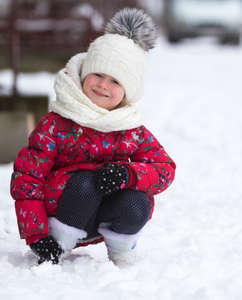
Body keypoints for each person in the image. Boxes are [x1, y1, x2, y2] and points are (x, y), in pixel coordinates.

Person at [10, 8, 176, 267]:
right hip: (63, 215)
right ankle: (58, 246)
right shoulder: (56, 124)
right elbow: (27, 178)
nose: (102, 86)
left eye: (115, 81)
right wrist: (37, 233)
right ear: (85, 73)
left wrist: (128, 174)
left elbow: (164, 169)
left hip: (104, 217)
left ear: (127, 91)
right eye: (97, 74)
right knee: (85, 182)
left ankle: (121, 249)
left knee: (138, 200)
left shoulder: (130, 129)